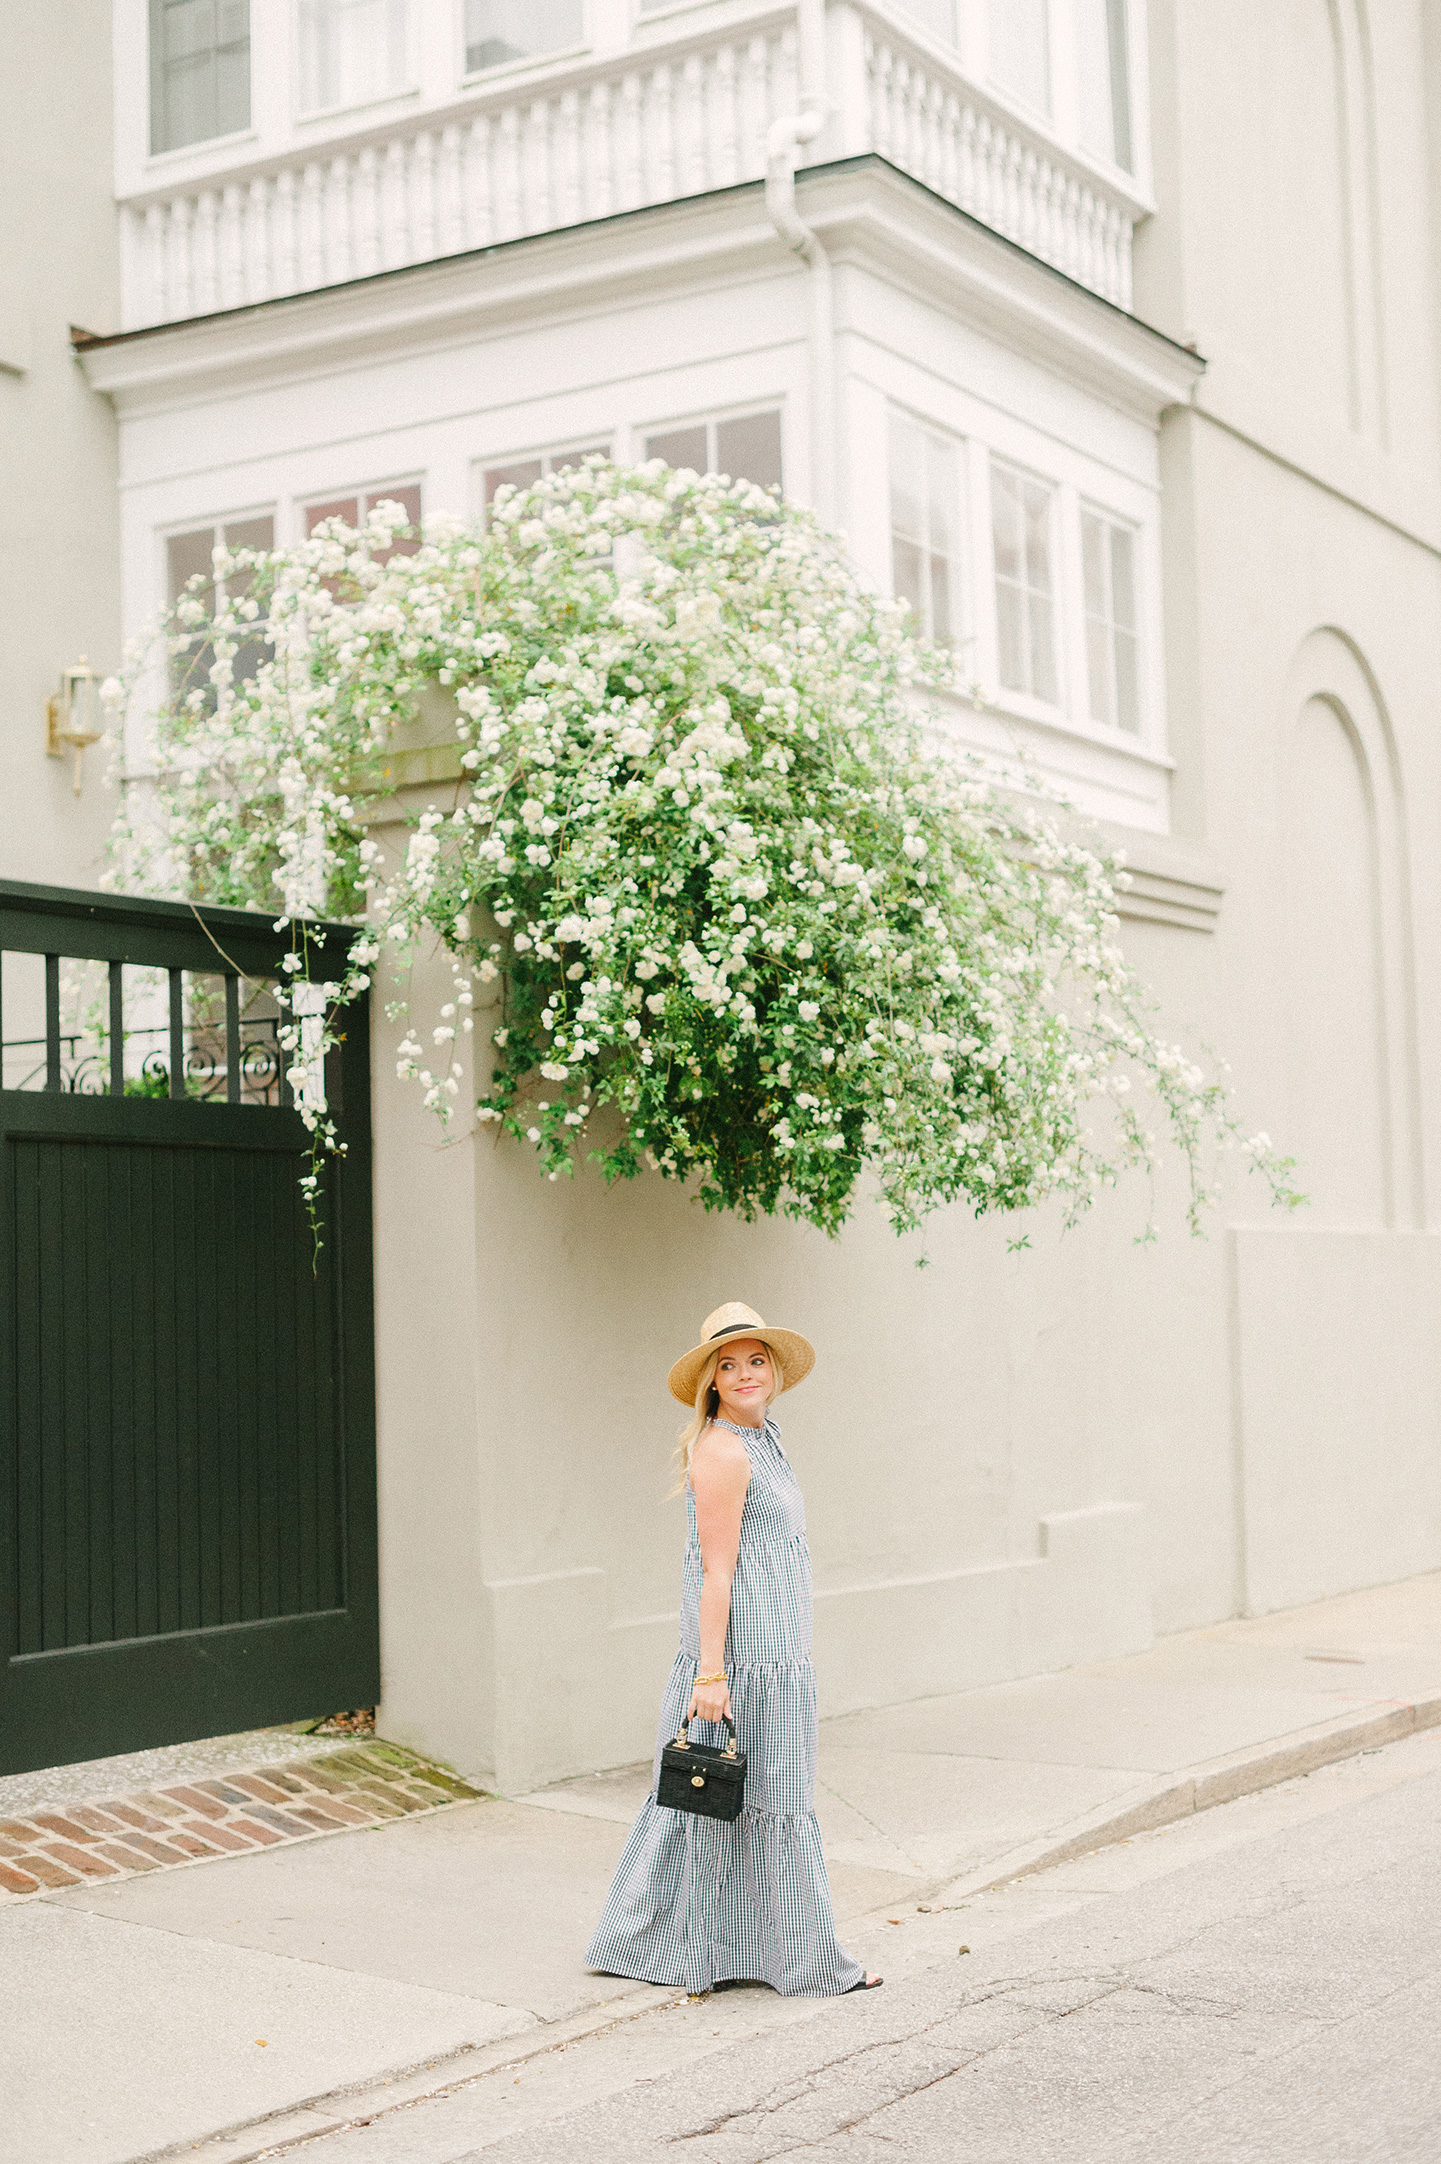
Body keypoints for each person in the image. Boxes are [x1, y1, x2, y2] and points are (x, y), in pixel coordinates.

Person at [586, 1301, 881, 1996]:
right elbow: (715, 1572)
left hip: (777, 1655)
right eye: (728, 1364)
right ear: (711, 1383)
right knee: (729, 1802)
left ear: (772, 1372)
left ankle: (734, 1952)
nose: (744, 1373)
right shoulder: (720, 1450)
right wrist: (711, 1675)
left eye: (755, 1360)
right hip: (742, 1662)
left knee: (748, 1804)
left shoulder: (763, 1439)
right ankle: (804, 1961)